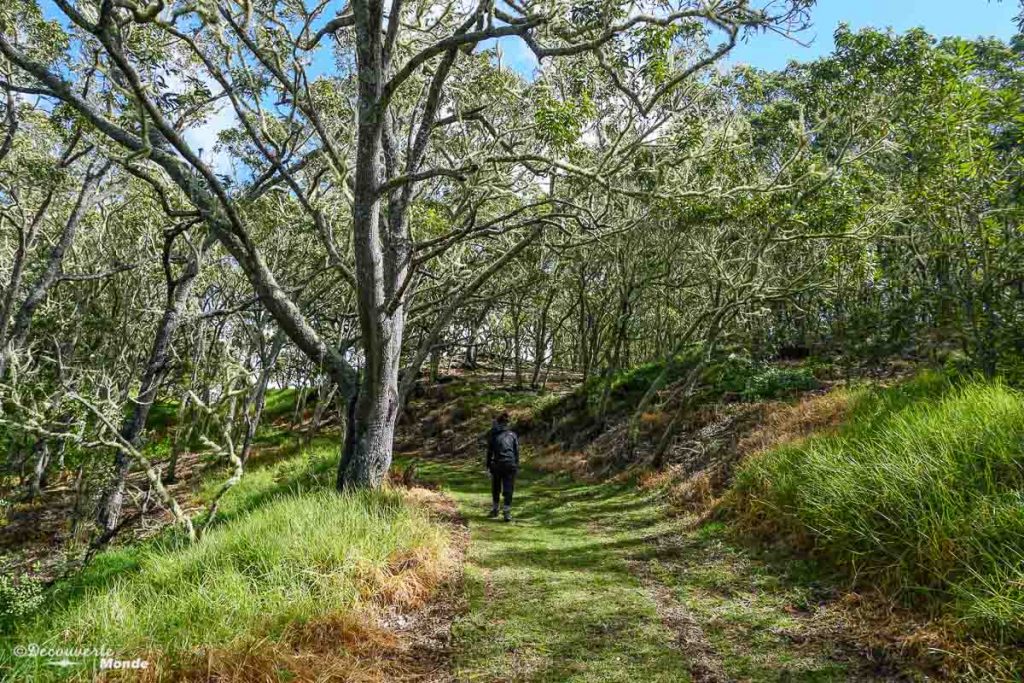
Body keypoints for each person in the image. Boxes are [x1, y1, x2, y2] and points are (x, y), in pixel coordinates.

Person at [486, 412, 519, 522]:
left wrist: (488, 466)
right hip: (510, 463)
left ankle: (495, 509)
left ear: (498, 423)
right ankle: (507, 512)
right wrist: (516, 465)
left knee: (496, 487)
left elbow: (489, 452)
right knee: (509, 487)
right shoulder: (512, 435)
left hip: (497, 463)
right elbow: (516, 452)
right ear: (507, 423)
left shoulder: (493, 435)